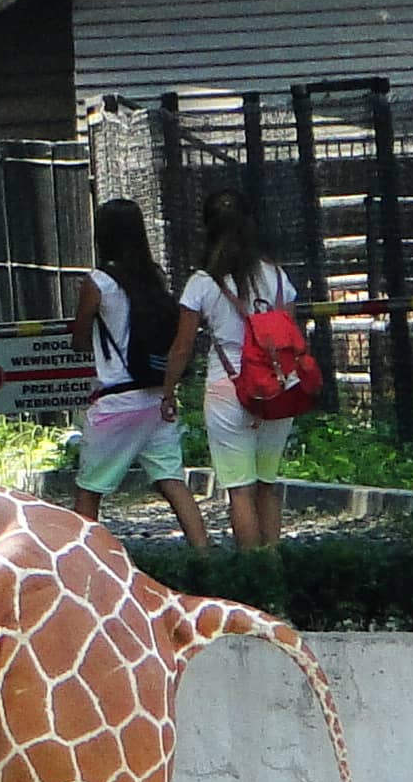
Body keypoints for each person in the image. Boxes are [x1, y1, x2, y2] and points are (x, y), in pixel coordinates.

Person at [63, 198, 208, 548]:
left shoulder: (98, 281)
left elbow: (79, 339)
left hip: (116, 401)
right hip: (157, 396)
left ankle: (84, 564)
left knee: (89, 491)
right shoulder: (155, 277)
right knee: (172, 480)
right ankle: (206, 557)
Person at [172, 189, 303, 550]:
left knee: (239, 490)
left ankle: (252, 577)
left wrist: (168, 391)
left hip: (228, 389)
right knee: (267, 484)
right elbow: (291, 336)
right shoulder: (276, 276)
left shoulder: (201, 282)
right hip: (278, 388)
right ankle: (273, 570)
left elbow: (182, 346)